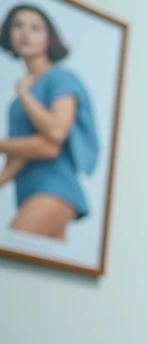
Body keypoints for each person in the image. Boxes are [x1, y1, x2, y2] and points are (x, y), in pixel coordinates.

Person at [0, 4, 99, 241]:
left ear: (49, 37)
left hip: (55, 189)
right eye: (18, 26)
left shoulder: (61, 79)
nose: (25, 33)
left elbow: (53, 137)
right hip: (27, 191)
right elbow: (22, 154)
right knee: (35, 273)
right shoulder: (16, 105)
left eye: (35, 28)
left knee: (15, 248)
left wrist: (25, 95)